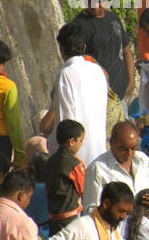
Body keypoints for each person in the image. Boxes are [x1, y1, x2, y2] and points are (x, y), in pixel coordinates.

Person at [42, 24, 108, 168]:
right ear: (84, 47)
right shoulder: (98, 71)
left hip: (75, 151)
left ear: (61, 48)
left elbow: (66, 117)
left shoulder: (66, 73)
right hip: (98, 147)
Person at [84, 121, 149, 213]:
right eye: (123, 149)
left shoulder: (143, 160)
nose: (129, 154)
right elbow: (91, 210)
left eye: (133, 148)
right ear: (111, 143)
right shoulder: (97, 169)